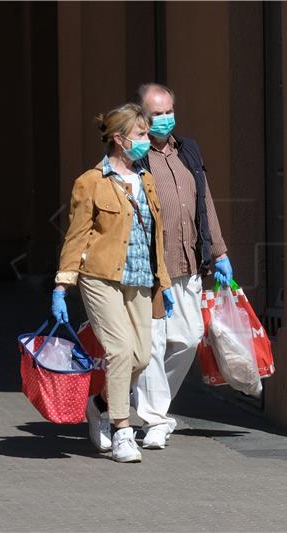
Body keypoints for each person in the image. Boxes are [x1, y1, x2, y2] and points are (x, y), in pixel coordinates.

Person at [51, 103, 173, 463]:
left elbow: (156, 237)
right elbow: (76, 237)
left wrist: (162, 283)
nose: (146, 141)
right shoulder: (91, 182)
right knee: (119, 351)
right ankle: (122, 430)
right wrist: (62, 285)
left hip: (140, 279)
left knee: (139, 356)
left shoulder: (146, 180)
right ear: (120, 139)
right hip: (100, 277)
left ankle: (100, 403)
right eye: (140, 135)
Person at [132, 83, 232, 449]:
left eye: (168, 111)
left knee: (188, 338)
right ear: (142, 116)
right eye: (156, 113)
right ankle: (155, 418)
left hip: (190, 262)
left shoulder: (187, 150)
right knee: (154, 345)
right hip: (153, 267)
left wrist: (219, 252)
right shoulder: (137, 155)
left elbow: (204, 199)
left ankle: (144, 405)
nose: (164, 119)